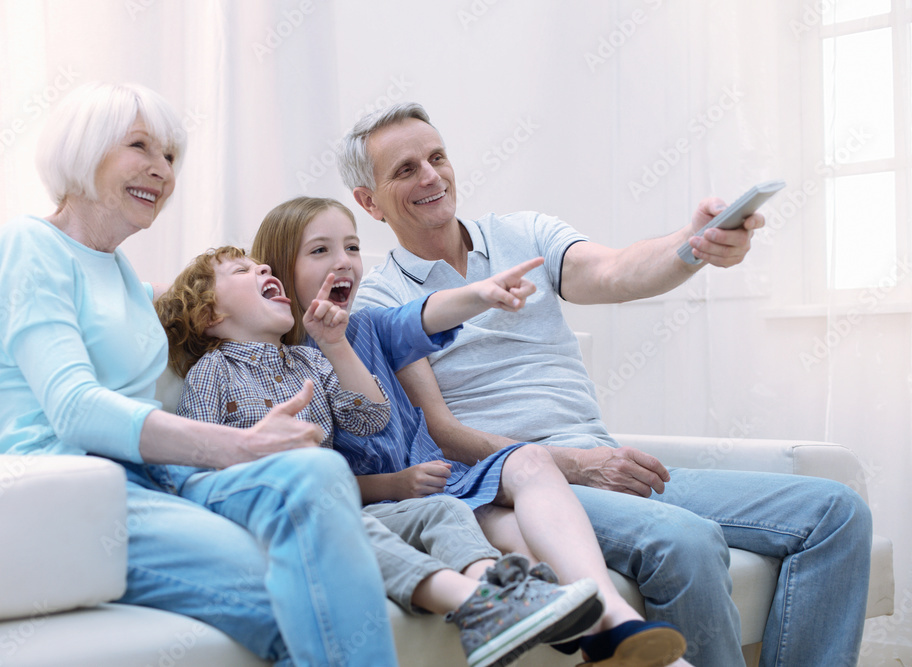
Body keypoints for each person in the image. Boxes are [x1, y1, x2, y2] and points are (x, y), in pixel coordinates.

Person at [337, 102, 875, 667]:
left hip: (605, 458)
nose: (430, 176)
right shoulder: (380, 303)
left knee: (836, 513)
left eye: (437, 157)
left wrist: (694, 245)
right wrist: (576, 464)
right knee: (684, 540)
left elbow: (617, 270)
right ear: (369, 202)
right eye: (404, 170)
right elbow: (442, 435)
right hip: (519, 485)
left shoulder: (525, 234)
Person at [0, 81, 399, 667]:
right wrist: (240, 445)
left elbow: (216, 295)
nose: (161, 170)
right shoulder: (28, 246)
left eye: (170, 156)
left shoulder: (119, 272)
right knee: (298, 597)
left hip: (156, 478)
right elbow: (73, 406)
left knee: (315, 470)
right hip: (71, 490)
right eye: (139, 147)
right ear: (82, 151)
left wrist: (309, 288)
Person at [252, 196, 690, 667]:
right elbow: (309, 478)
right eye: (320, 251)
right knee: (518, 541)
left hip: (452, 484)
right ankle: (598, 634)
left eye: (353, 248)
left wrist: (480, 294)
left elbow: (424, 314)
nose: (344, 262)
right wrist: (393, 484)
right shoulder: (278, 367)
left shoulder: (370, 326)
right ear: (279, 269)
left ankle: (614, 620)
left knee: (531, 461)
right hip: (396, 505)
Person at [150, 244, 607, 667]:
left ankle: (503, 591)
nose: (262, 269)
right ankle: (481, 606)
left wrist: (334, 343)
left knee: (442, 508)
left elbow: (370, 418)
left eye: (260, 265)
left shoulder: (308, 362)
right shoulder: (212, 372)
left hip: (342, 504)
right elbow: (199, 464)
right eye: (242, 270)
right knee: (357, 528)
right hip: (280, 519)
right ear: (210, 313)